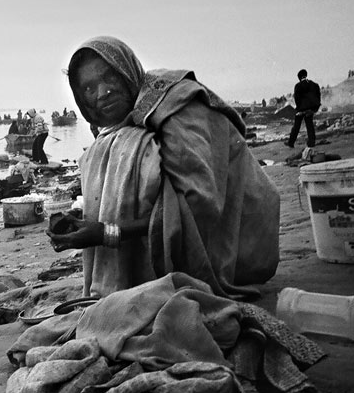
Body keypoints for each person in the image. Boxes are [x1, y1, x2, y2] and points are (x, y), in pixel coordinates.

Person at [47, 36, 279, 300]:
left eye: (108, 78)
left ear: (126, 71)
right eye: (89, 89)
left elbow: (199, 206)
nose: (102, 93)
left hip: (235, 248)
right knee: (106, 147)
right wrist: (83, 216)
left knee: (125, 145)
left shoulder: (175, 106)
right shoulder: (117, 127)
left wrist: (107, 232)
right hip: (181, 244)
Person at [286, 69, 321, 148]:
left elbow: (297, 98)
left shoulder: (298, 86)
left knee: (296, 127)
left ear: (299, 77)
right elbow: (318, 96)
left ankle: (291, 143)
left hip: (301, 109)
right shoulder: (314, 84)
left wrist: (298, 109)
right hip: (311, 109)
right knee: (310, 126)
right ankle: (311, 143)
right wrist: (315, 108)